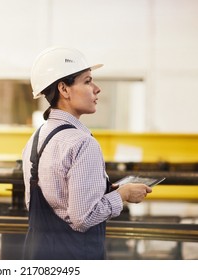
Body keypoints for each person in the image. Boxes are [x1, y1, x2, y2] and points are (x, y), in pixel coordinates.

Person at [21, 46, 152, 260]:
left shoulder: (36, 139)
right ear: (64, 89)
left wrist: (104, 190)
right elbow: (83, 218)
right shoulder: (82, 143)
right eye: (88, 81)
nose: (97, 88)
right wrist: (123, 195)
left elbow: (51, 202)